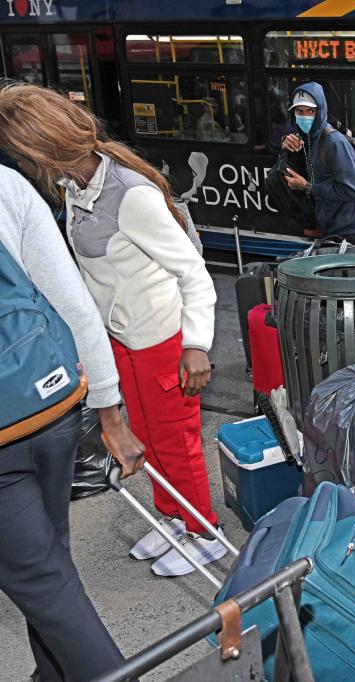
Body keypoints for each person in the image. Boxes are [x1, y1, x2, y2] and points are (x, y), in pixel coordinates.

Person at [0, 81, 223, 576]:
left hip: (163, 341)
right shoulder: (74, 189)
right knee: (140, 433)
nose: (20, 166)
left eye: (20, 155)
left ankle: (204, 528)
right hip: (121, 339)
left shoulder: (131, 195)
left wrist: (196, 345)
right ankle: (172, 518)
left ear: (44, 150)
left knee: (175, 441)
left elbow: (193, 272)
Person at [0, 164, 145, 680]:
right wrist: (110, 414)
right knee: (49, 566)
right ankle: (55, 674)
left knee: (44, 580)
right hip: (53, 405)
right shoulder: (7, 185)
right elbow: (72, 304)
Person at [281, 83, 355, 244]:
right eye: (299, 111)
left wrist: (307, 186)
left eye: (310, 111)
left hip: (352, 232)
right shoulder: (308, 138)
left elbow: (351, 191)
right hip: (333, 228)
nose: (304, 117)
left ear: (320, 110)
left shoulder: (334, 142)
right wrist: (286, 145)